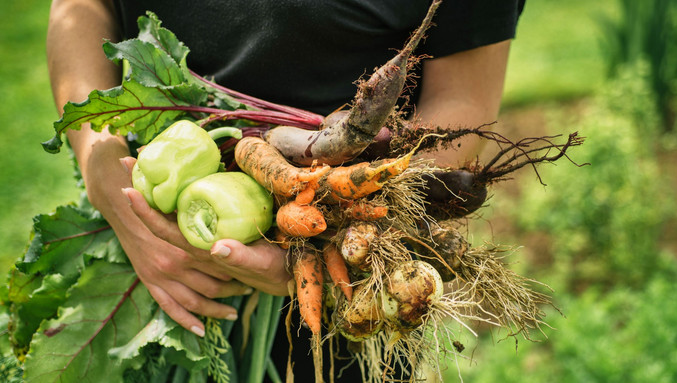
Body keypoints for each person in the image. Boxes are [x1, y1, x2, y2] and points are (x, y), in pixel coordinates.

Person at [47, 0, 524, 379]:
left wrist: (347, 237)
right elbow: (80, 8)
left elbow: (462, 99)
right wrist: (100, 162)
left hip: (356, 272)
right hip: (149, 241)